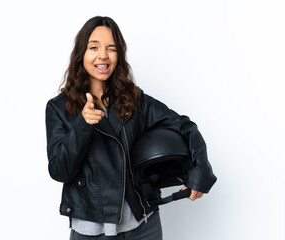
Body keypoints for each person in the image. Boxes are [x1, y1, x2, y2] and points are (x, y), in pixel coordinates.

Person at [45, 16, 217, 240]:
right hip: (91, 231)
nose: (103, 55)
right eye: (94, 47)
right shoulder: (58, 108)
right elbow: (59, 170)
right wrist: (82, 125)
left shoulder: (134, 99)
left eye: (111, 48)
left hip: (143, 225)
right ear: (81, 54)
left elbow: (184, 126)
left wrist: (199, 171)